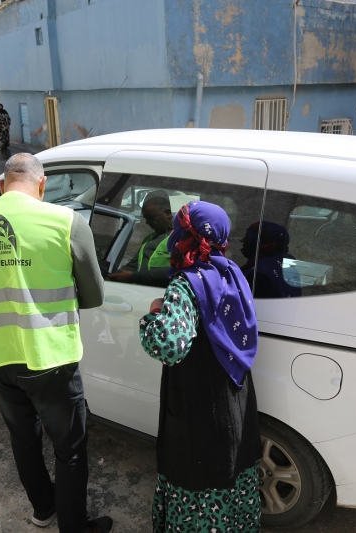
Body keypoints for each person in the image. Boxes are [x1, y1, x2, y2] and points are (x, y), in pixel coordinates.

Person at [0, 153, 113, 533]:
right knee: (69, 449)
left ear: (0, 186)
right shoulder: (66, 222)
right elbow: (94, 296)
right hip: (50, 357)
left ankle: (43, 509)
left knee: (23, 439)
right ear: (42, 185)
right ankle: (74, 528)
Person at [139, 201, 262, 533]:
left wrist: (152, 314)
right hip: (235, 398)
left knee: (198, 480)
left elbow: (165, 345)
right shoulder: (232, 273)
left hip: (200, 407)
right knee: (232, 474)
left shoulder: (186, 285)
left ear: (184, 235)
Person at [107, 191, 173, 286]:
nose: (147, 222)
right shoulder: (149, 238)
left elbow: (179, 272)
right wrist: (113, 276)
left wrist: (133, 276)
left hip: (166, 296)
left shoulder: (182, 238)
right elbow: (134, 265)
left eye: (151, 217)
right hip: (141, 293)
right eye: (145, 218)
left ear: (167, 213)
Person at [240, 221, 302, 298]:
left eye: (248, 237)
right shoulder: (289, 267)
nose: (242, 240)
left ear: (258, 242)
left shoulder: (257, 274)